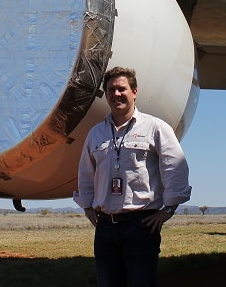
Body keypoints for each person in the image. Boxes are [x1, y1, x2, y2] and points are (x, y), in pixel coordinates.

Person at [73, 66, 192, 287]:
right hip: (106, 226)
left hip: (141, 225)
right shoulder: (96, 133)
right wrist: (87, 205)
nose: (116, 94)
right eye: (111, 90)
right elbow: (86, 173)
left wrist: (168, 209)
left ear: (134, 92)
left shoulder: (155, 128)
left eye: (121, 89)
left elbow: (174, 167)